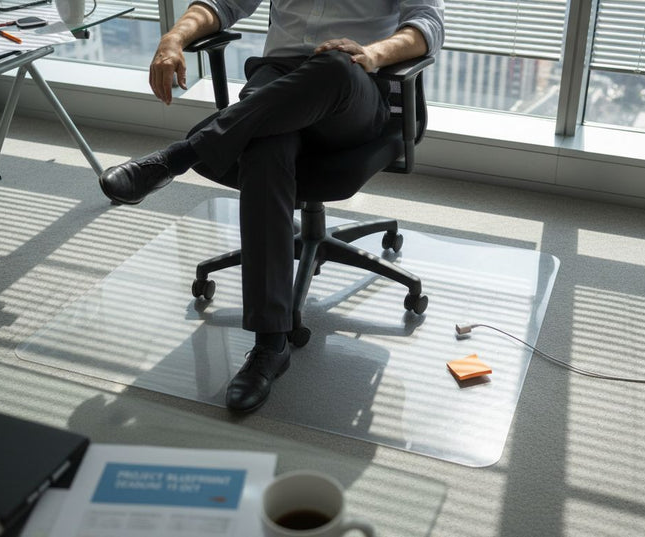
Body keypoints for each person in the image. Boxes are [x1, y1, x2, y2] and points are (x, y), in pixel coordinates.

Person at [98, 0, 444, 413]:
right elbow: (222, 4)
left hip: (353, 86)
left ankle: (177, 158)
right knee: (265, 152)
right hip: (278, 82)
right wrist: (173, 39)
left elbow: (427, 25)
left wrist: (372, 54)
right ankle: (270, 344)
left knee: (334, 65)